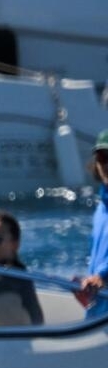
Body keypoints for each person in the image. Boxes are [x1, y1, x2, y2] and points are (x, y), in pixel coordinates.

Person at [76, 129, 108, 317]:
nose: (106, 164)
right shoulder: (101, 208)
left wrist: (103, 276)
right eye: (102, 157)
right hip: (99, 313)